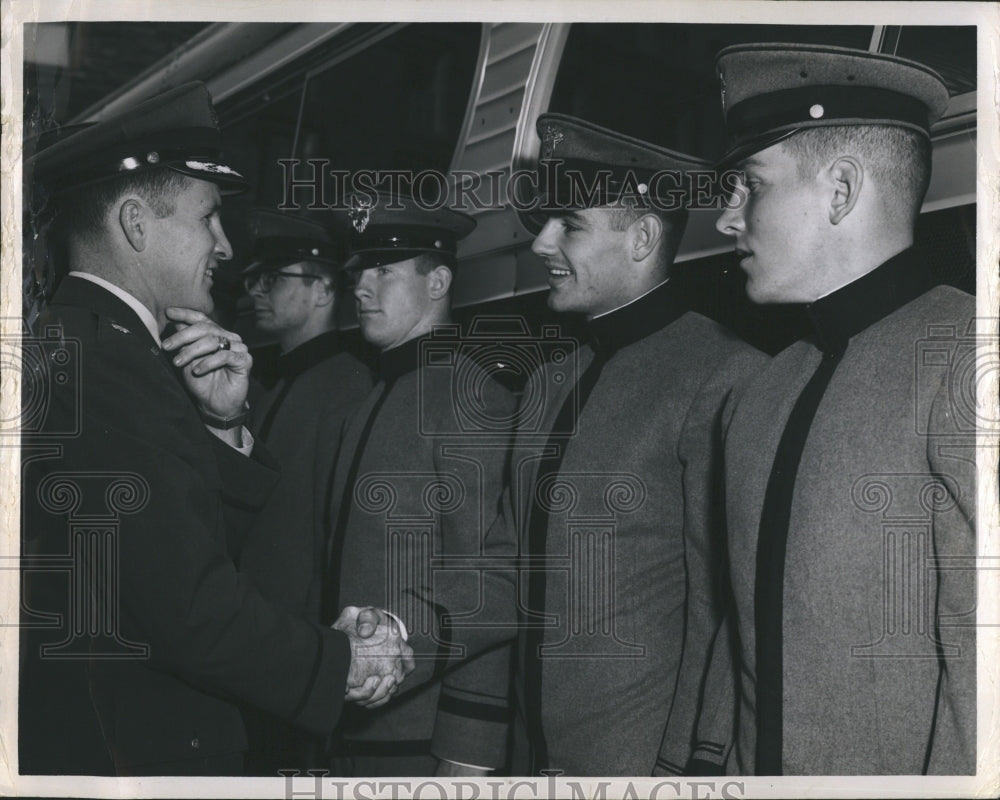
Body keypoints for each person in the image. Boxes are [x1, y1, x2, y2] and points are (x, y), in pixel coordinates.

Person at [339, 114, 768, 776]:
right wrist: (402, 634)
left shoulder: (723, 377)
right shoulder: (548, 381)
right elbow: (509, 568)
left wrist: (691, 774)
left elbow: (725, 620)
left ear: (643, 238)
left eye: (568, 223)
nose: (540, 243)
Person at [19, 82, 411, 777]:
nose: (226, 247)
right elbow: (187, 609)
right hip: (134, 753)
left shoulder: (95, 346)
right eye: (209, 219)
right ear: (137, 225)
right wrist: (340, 662)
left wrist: (221, 422)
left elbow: (169, 554)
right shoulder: (106, 364)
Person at [709, 43, 976, 774]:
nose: (727, 221)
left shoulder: (967, 360)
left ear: (840, 191)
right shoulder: (760, 392)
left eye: (750, 187)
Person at [320, 194, 517, 776]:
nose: (361, 287)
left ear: (439, 283)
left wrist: (468, 751)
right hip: (355, 729)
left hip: (420, 743)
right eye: (360, 271)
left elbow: (491, 583)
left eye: (385, 270)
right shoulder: (372, 397)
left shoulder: (469, 398)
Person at [237, 209, 374, 774]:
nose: (256, 293)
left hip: (297, 668)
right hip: (254, 654)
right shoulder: (268, 386)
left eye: (273, 279)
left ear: (322, 290)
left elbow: (334, 549)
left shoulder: (349, 388)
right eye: (253, 280)